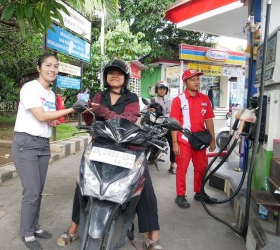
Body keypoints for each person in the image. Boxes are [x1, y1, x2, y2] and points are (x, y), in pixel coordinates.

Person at [57, 59, 162, 250]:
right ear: (106, 77)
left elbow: (127, 120)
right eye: (111, 73)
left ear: (125, 78)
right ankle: (74, 227)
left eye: (119, 73)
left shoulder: (131, 98)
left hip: (128, 148)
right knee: (83, 182)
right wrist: (88, 110)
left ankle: (152, 234)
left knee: (143, 185)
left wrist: (103, 111)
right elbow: (92, 121)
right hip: (100, 146)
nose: (115, 76)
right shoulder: (99, 95)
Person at [11, 53, 76, 250]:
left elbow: (46, 117)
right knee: (31, 191)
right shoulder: (30, 88)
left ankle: (34, 225)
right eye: (48, 65)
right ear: (39, 68)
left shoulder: (50, 94)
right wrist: (72, 109)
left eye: (56, 66)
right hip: (25, 143)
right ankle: (27, 233)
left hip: (42, 144)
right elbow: (39, 116)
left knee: (37, 191)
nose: (52, 70)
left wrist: (53, 120)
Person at [170, 69, 217, 209]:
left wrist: (212, 139)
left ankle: (199, 192)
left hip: (200, 140)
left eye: (197, 79)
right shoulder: (178, 100)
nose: (196, 82)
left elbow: (209, 120)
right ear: (185, 82)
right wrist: (175, 143)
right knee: (182, 168)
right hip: (184, 140)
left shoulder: (205, 99)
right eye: (192, 79)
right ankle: (180, 195)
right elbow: (174, 123)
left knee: (201, 168)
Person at [149, 80, 176, 175]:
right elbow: (145, 109)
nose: (162, 90)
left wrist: (163, 116)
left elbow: (171, 113)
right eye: (160, 88)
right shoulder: (152, 100)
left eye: (164, 89)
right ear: (157, 90)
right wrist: (149, 110)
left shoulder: (169, 101)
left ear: (166, 90)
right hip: (153, 124)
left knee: (173, 143)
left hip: (165, 124)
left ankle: (172, 165)